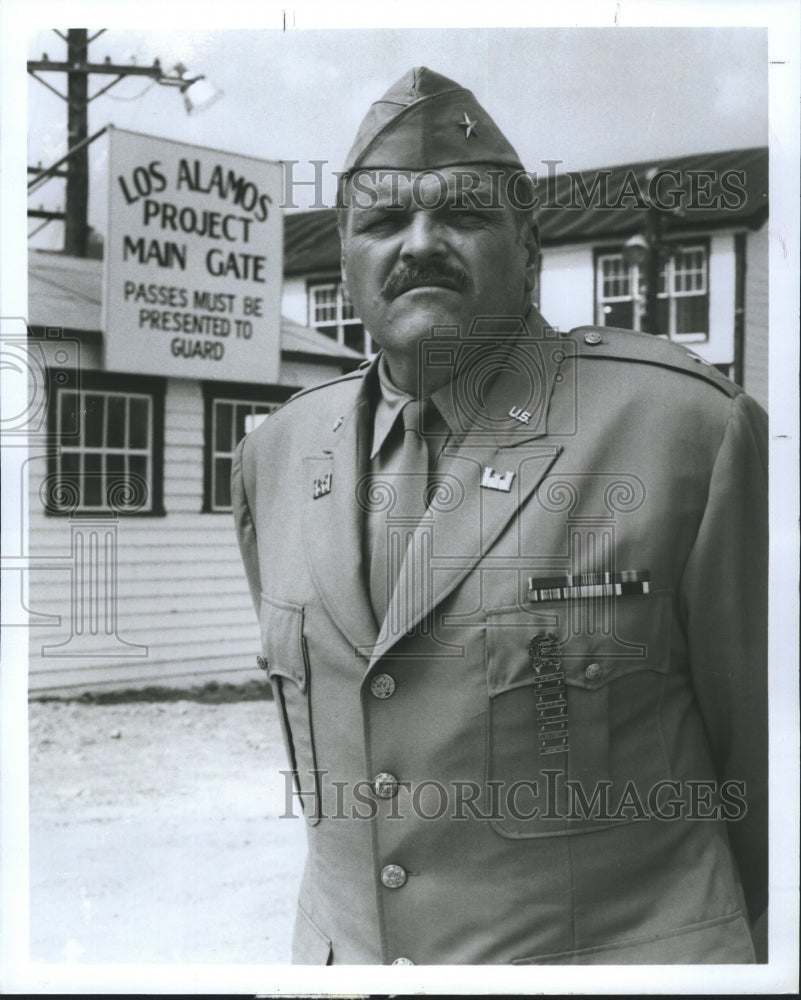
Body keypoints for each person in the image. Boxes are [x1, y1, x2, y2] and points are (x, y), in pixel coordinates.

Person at [233, 67, 767, 965]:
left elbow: (767, 769)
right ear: (344, 261)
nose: (420, 244)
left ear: (527, 246)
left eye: (464, 215)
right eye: (382, 221)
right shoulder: (276, 455)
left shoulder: (685, 433)